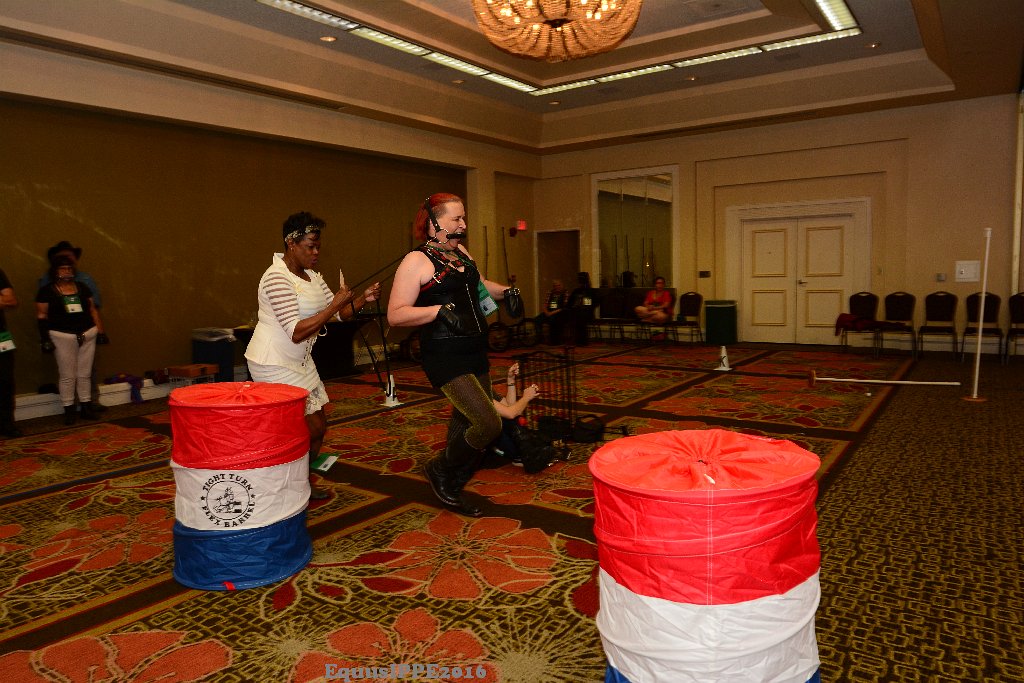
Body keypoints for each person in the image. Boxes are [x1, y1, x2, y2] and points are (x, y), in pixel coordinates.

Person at [387, 192, 520, 517]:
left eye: (463, 218)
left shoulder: (460, 252)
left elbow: (480, 286)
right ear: (434, 223)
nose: (463, 224)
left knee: (466, 419)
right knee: (488, 423)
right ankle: (440, 469)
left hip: (474, 348)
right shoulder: (416, 260)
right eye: (456, 219)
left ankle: (453, 484)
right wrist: (437, 311)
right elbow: (395, 314)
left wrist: (508, 291)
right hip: (444, 353)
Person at [245, 211, 381, 501]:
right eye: (310, 246)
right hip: (273, 362)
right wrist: (334, 306)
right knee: (303, 429)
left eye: (318, 246)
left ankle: (299, 484)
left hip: (300, 361)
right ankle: (284, 486)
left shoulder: (313, 276)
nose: (316, 252)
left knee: (319, 428)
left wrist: (362, 299)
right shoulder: (276, 277)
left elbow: (340, 314)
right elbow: (296, 331)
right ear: (291, 243)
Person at [36, 255, 108, 425]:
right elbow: (41, 316)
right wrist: (45, 339)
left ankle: (86, 406)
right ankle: (69, 409)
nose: (66, 271)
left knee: (85, 374)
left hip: (87, 333)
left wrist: (101, 332)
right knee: (67, 375)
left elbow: (92, 310)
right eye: (62, 268)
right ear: (55, 271)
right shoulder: (46, 291)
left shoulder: (82, 287)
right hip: (62, 336)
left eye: (69, 268)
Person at [488, 362, 539, 464]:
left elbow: (509, 406)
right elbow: (510, 413)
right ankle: (519, 455)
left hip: (488, 429)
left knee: (514, 418)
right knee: (507, 421)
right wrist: (526, 397)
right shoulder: (475, 391)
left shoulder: (484, 387)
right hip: (476, 438)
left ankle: (526, 451)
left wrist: (510, 379)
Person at [38, 241, 103, 309]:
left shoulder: (85, 279)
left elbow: (95, 305)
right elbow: (42, 305)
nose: (65, 260)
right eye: (61, 257)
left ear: (75, 259)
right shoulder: (46, 279)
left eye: (67, 256)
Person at [0, 267, 20, 438]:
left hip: (1, 335)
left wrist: (3, 300)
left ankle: (7, 423)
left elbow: (11, 300)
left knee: (5, 380)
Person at [534, 279, 569, 344]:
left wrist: (551, 313)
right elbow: (545, 304)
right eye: (555, 286)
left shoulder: (565, 293)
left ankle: (554, 340)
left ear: (562, 286)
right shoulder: (550, 293)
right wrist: (546, 312)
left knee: (553, 319)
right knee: (537, 319)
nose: (557, 287)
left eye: (558, 285)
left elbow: (564, 307)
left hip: (559, 313)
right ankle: (540, 338)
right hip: (549, 311)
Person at [568, 271, 597, 346]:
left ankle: (582, 341)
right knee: (573, 314)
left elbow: (594, 304)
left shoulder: (591, 291)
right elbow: (569, 303)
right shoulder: (576, 291)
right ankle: (575, 339)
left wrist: (585, 307)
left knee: (580, 316)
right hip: (576, 312)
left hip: (587, 313)